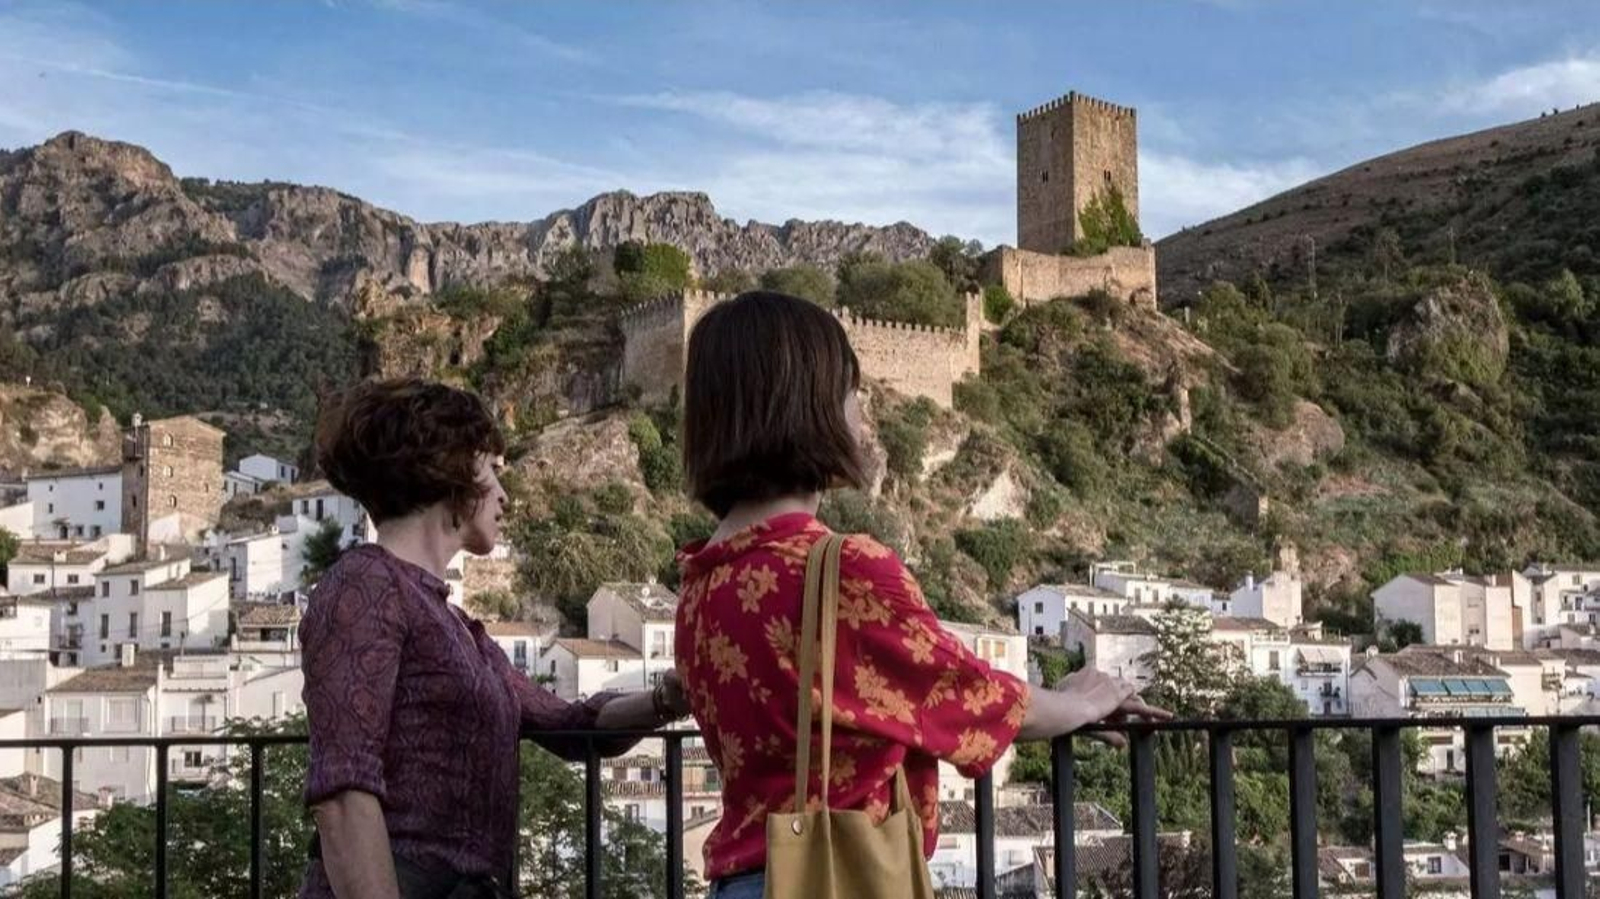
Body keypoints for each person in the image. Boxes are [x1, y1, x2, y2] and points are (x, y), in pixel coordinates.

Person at [674, 292, 1169, 899]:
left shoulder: (701, 583)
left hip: (737, 882)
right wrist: (1080, 703)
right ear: (806, 407)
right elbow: (959, 693)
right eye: (852, 391)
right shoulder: (844, 571)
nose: (863, 411)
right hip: (838, 878)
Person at [299, 378, 691, 899]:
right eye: (494, 471)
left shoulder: (457, 627)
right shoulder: (365, 584)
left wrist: (669, 697)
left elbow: (571, 726)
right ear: (452, 470)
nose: (505, 496)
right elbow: (344, 794)